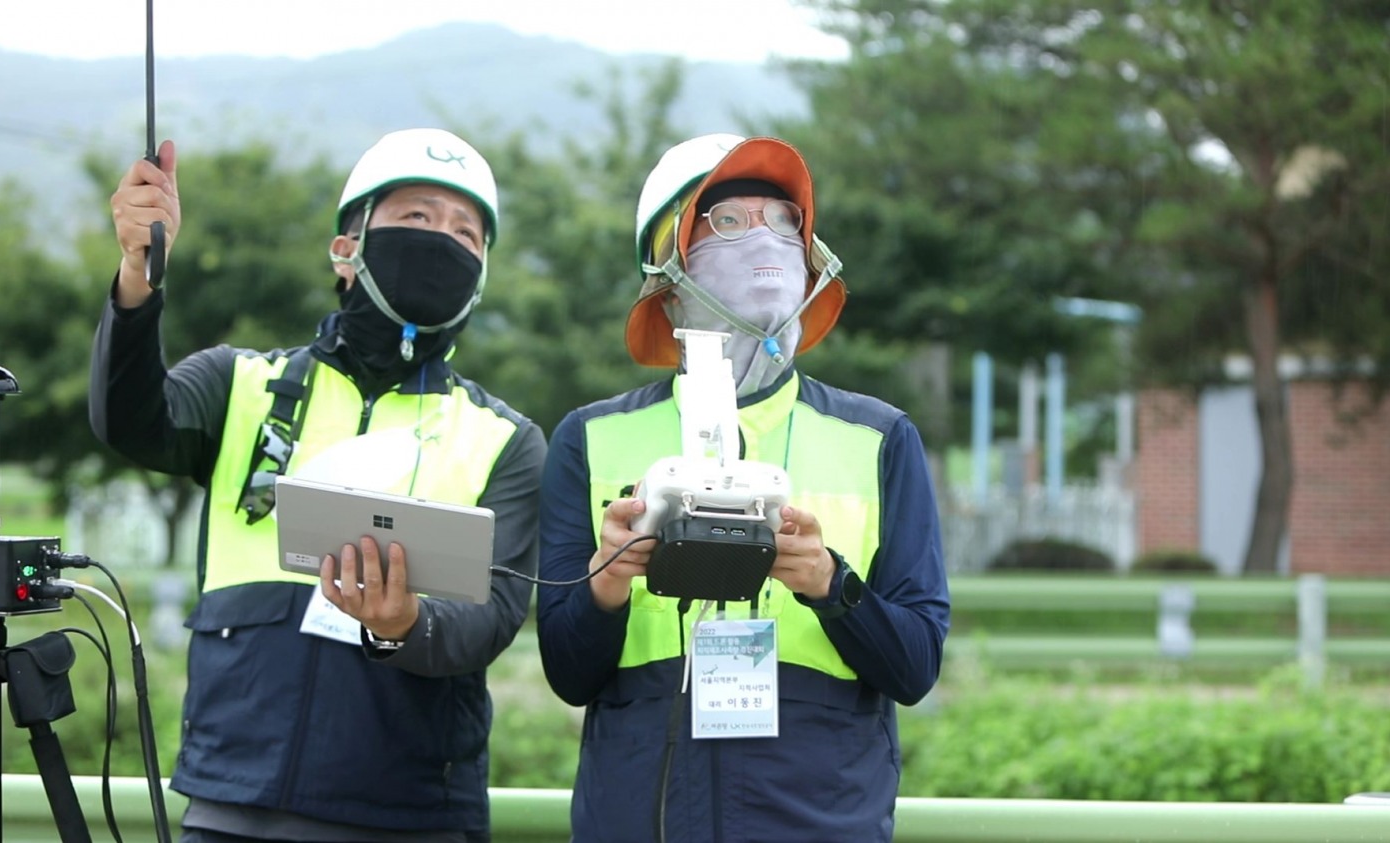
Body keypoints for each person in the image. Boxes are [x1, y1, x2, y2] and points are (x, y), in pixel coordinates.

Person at [90, 128, 544, 842]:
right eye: (417, 218)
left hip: (413, 816)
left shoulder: (507, 439)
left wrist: (403, 625)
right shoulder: (239, 382)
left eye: (467, 233)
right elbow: (128, 421)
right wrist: (139, 271)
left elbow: (491, 620)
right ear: (346, 249)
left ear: (481, 275)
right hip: (231, 801)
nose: (443, 240)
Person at [534, 133, 951, 842]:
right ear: (665, 268)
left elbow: (914, 665)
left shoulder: (879, 437)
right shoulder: (590, 437)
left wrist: (829, 583)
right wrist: (604, 587)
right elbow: (569, 673)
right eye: (726, 220)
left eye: (785, 220)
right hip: (640, 819)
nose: (766, 239)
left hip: (821, 821)